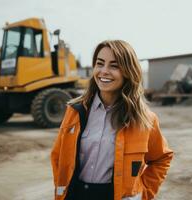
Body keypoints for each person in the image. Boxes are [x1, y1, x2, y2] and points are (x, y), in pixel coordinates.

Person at [51, 40, 173, 200]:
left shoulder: (145, 120)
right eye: (99, 64)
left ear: (128, 72)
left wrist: (145, 192)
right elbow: (58, 157)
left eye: (114, 66)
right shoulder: (74, 112)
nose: (104, 71)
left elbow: (161, 158)